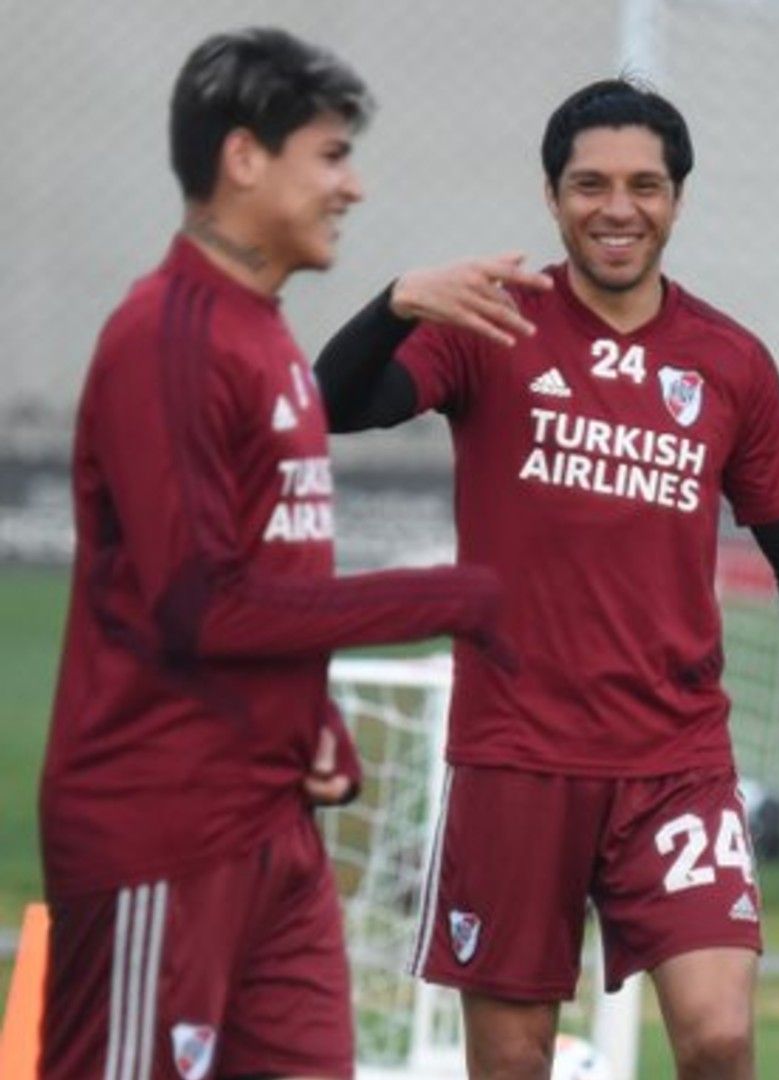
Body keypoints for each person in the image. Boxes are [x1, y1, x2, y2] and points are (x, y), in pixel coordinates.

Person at [312, 79, 779, 1080]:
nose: (619, 207)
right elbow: (332, 404)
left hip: (675, 757)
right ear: (553, 195)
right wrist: (393, 305)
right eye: (591, 184)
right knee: (513, 1059)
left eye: (645, 185)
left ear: (678, 199)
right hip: (517, 755)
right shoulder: (492, 324)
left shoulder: (731, 362)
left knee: (722, 1034)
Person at [39, 28, 505, 1080]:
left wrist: (317, 712)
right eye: (331, 155)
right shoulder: (165, 336)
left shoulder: (264, 333)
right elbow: (199, 607)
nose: (354, 186)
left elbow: (268, 566)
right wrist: (445, 595)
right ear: (245, 158)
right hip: (163, 831)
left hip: (275, 824)